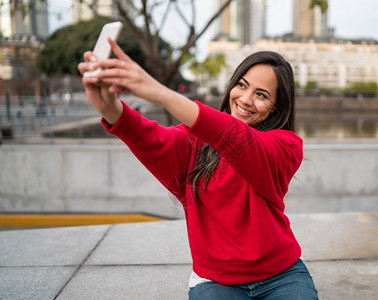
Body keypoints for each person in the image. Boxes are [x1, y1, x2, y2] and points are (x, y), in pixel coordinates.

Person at [78, 39, 318, 300]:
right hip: (215, 281)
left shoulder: (285, 146)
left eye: (261, 95)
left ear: (276, 108)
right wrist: (111, 109)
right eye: (242, 85)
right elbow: (150, 138)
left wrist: (160, 93)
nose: (245, 100)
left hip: (281, 274)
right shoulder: (194, 142)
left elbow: (238, 140)